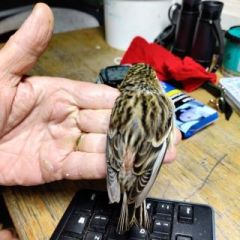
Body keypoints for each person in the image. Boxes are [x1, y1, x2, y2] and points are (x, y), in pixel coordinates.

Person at [0, 3, 181, 239]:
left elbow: (113, 141)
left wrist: (116, 173)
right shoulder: (163, 106)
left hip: (119, 164)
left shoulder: (120, 103)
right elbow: (150, 150)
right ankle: (135, 208)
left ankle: (131, 205)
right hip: (140, 168)